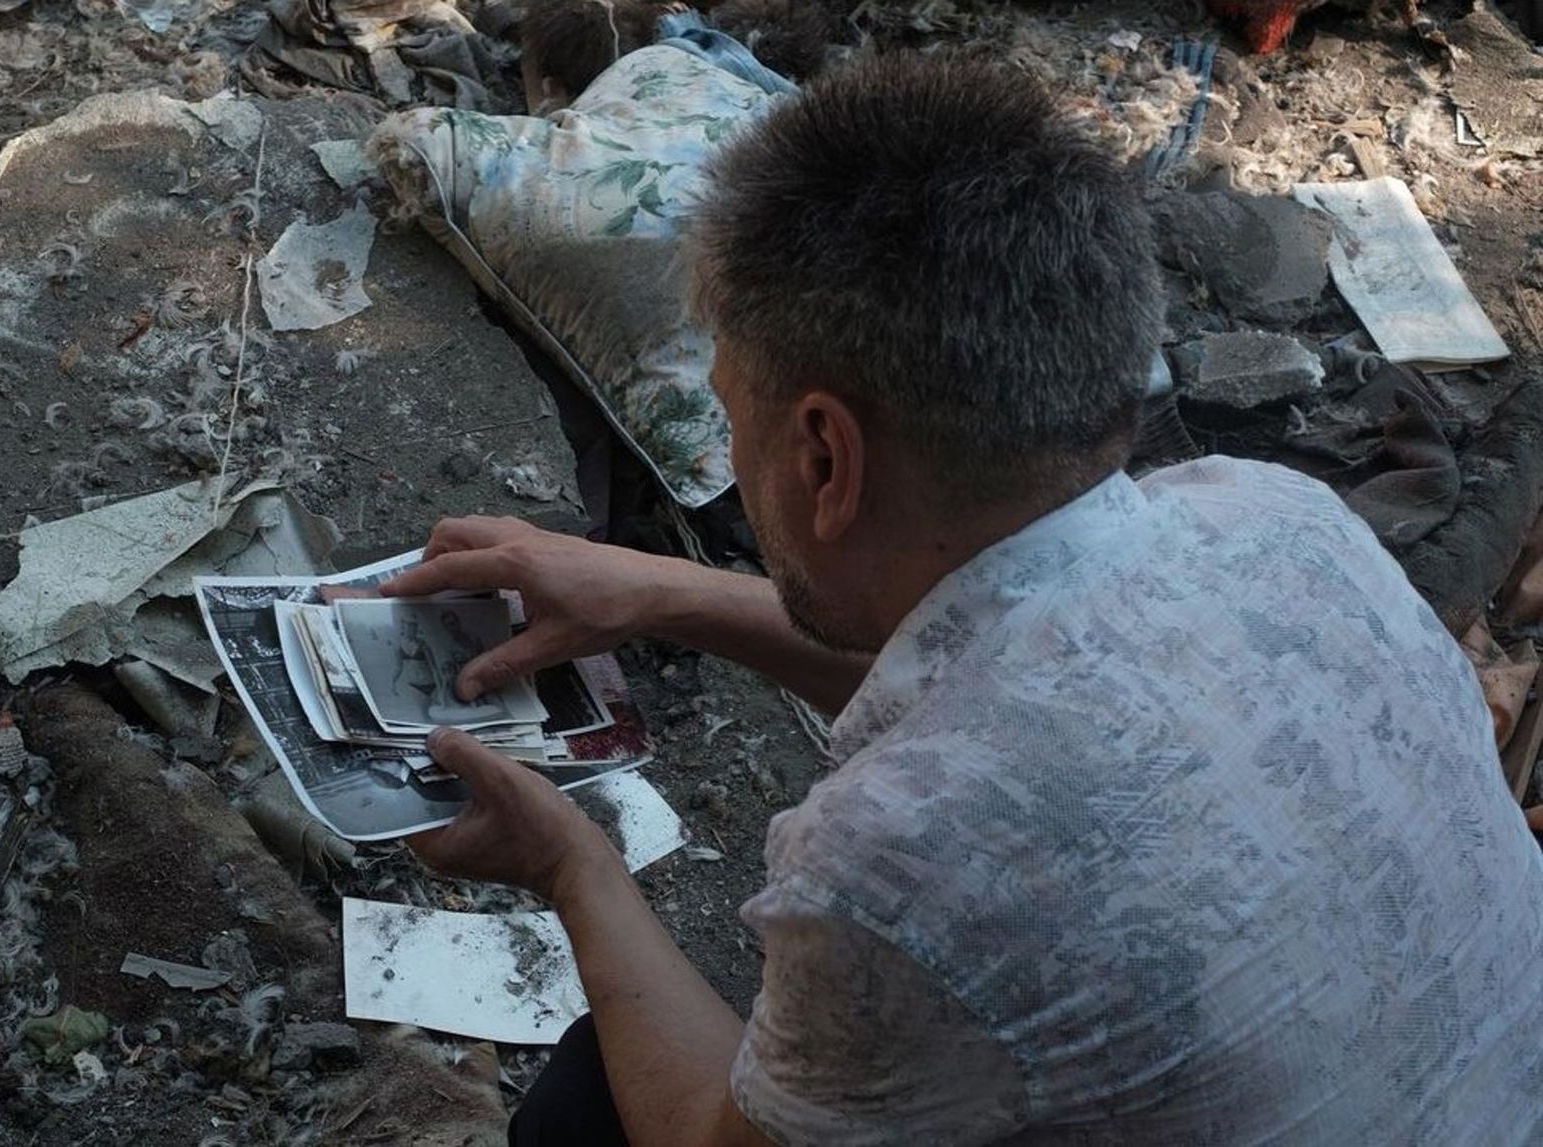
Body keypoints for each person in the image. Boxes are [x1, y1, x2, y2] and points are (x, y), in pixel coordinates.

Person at [379, 52, 1543, 1145]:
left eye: (736, 413)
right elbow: (990, 674)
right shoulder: (1274, 519)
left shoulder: (901, 866)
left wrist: (569, 863)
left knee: (590, 1100)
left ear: (825, 458)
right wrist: (657, 593)